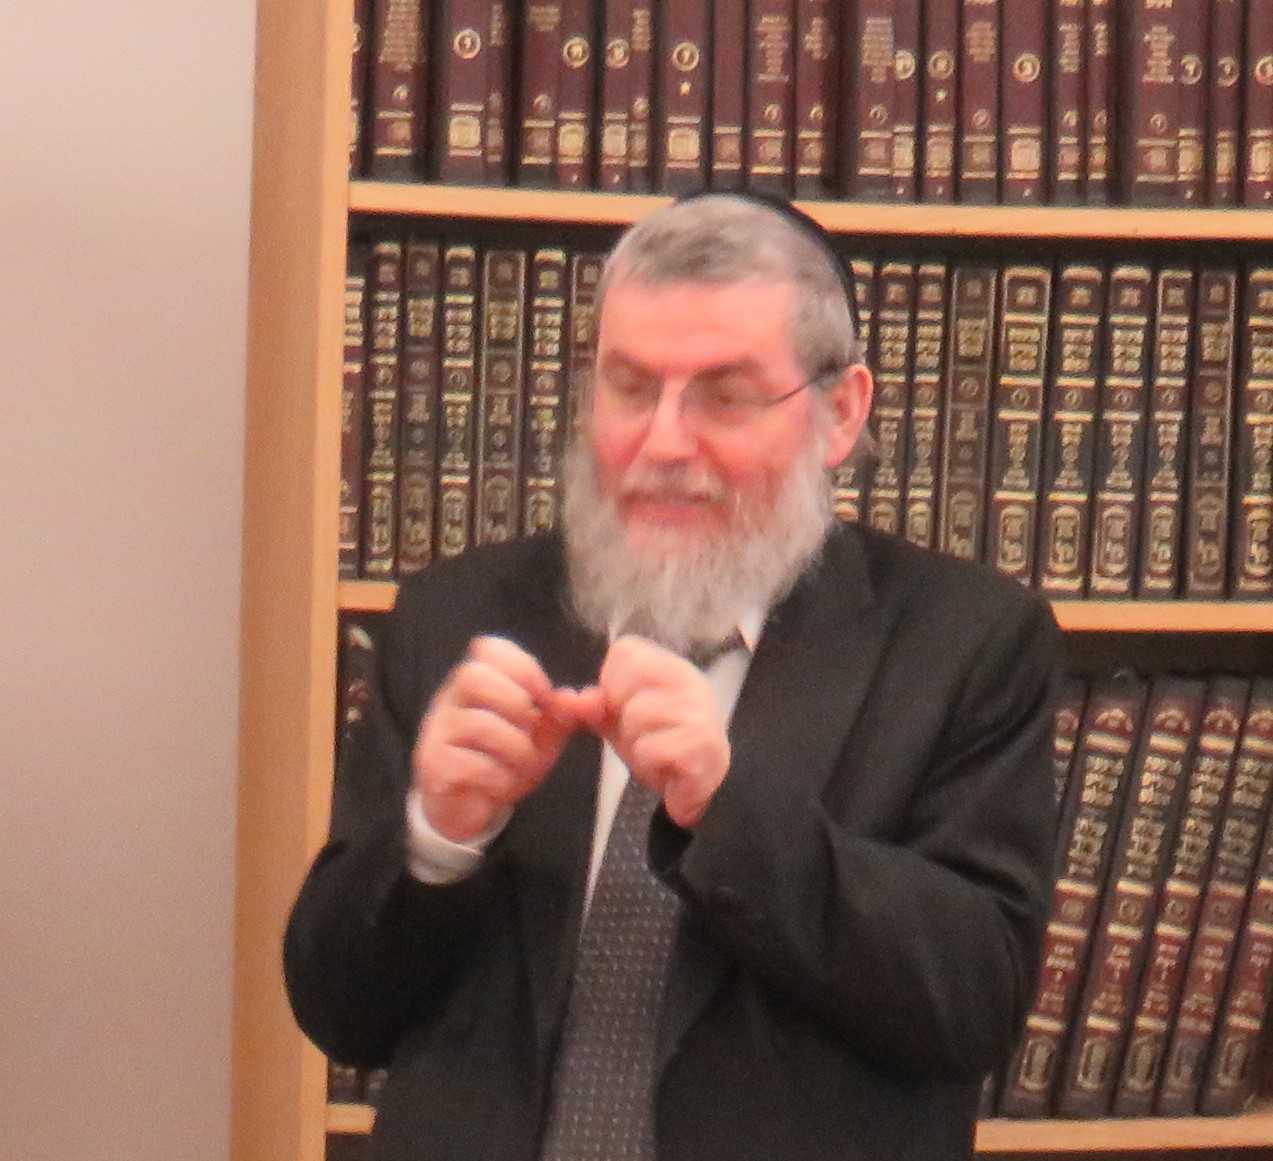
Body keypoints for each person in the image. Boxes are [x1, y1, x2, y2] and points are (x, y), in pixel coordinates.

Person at [284, 192, 1061, 1161]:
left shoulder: (964, 641)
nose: (661, 443)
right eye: (629, 387)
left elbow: (973, 1000)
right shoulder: (461, 613)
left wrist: (726, 810)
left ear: (839, 413)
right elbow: (339, 1010)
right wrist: (440, 834)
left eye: (723, 396)